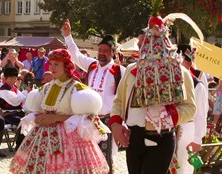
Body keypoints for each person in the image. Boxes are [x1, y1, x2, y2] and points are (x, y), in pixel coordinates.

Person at [109, 15, 197, 173]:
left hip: (161, 138)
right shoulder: (130, 70)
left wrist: (168, 115)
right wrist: (115, 124)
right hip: (133, 138)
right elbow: (118, 101)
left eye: (151, 42)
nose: (146, 48)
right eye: (142, 44)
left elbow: (190, 108)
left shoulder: (180, 72)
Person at [10, 48, 109, 173]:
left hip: (68, 138)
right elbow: (42, 108)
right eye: (51, 64)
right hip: (42, 136)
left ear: (66, 66)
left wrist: (57, 118)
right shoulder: (47, 87)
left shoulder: (76, 88)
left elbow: (85, 117)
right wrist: (38, 116)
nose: (52, 68)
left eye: (57, 64)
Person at [62, 19, 126, 173]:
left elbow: (126, 95)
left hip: (108, 120)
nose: (102, 53)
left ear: (113, 52)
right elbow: (75, 55)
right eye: (100, 50)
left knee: (106, 157)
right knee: (88, 156)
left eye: (106, 50)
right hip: (89, 120)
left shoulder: (119, 71)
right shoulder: (91, 65)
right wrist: (68, 36)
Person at [176, 44, 208, 174]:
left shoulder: (197, 85)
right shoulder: (171, 80)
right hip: (171, 130)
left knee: (184, 169)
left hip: (188, 129)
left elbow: (201, 114)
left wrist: (197, 139)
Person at [0, 67, 31, 150]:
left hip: (16, 113)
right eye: (13, 78)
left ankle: (25, 144)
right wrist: (26, 91)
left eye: (15, 78)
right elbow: (16, 100)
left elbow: (21, 97)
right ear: (7, 78)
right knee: (23, 121)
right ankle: (19, 146)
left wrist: (26, 92)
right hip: (7, 115)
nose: (15, 80)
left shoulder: (13, 88)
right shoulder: (3, 90)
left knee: (30, 119)